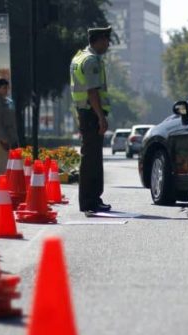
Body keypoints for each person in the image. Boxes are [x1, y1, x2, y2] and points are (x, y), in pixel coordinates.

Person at [70, 26, 114, 213]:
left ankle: (93, 198)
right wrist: (101, 117)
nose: (108, 44)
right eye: (106, 40)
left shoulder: (79, 57)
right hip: (91, 113)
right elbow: (92, 92)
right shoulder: (91, 61)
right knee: (91, 159)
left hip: (85, 112)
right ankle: (89, 201)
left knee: (93, 157)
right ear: (98, 40)